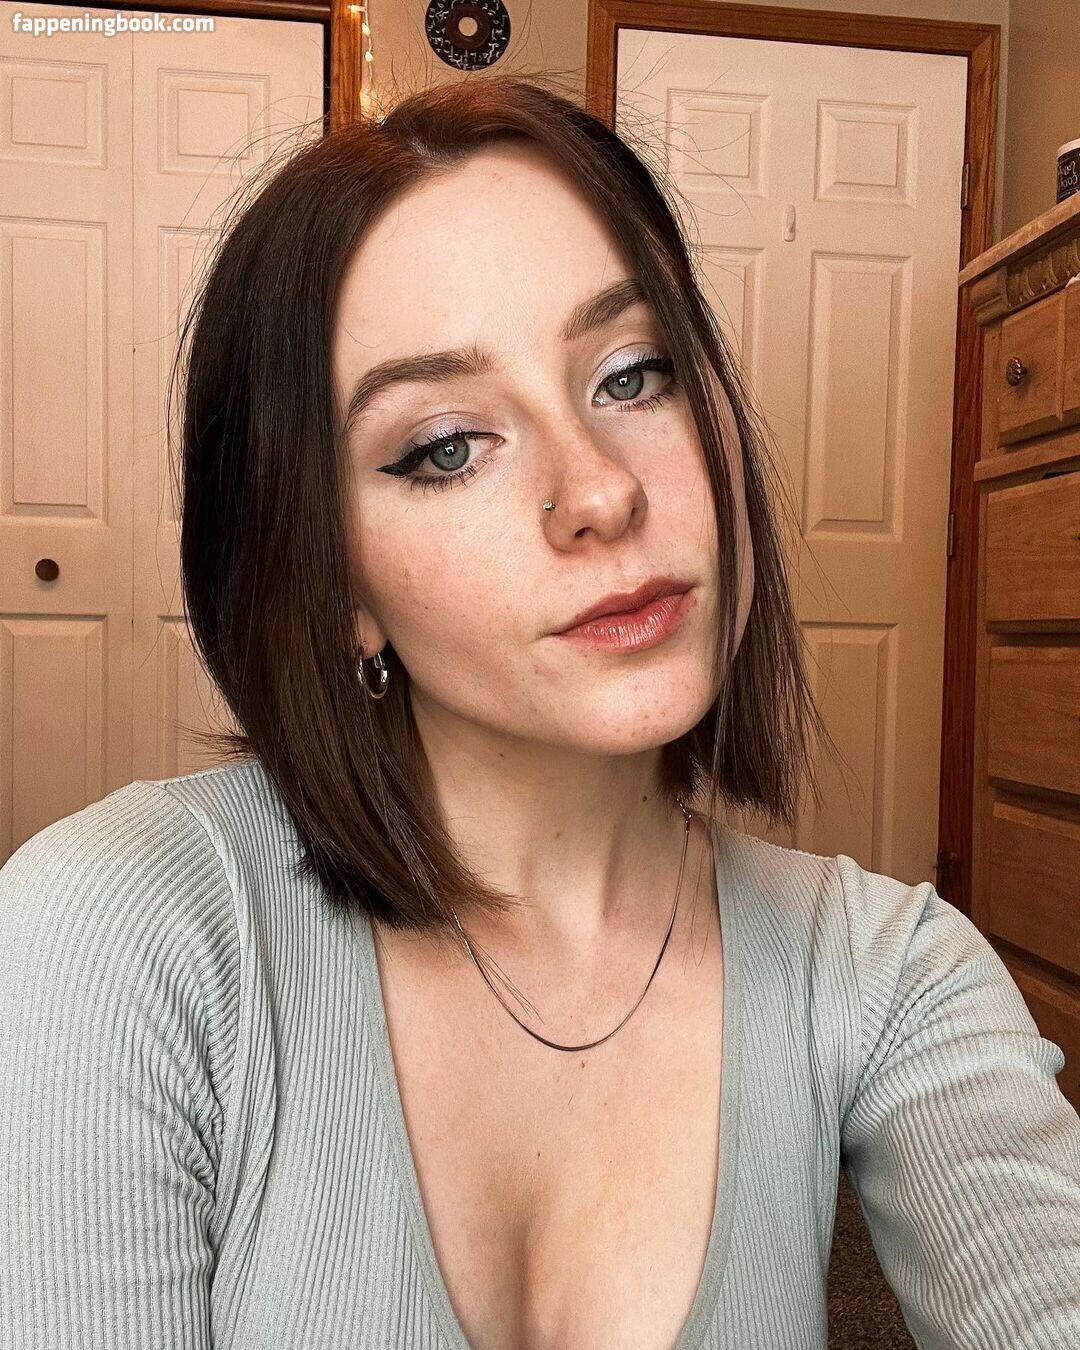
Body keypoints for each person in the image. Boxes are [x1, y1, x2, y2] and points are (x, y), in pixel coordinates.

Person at [1, 73, 1078, 1350]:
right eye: (446, 446)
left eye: (634, 375)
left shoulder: (891, 972)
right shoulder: (121, 931)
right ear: (334, 581)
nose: (601, 494)